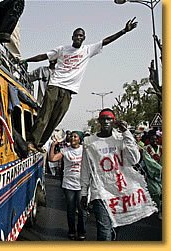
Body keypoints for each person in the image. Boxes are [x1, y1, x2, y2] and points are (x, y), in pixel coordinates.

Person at [23, 18, 138, 151]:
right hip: (55, 84)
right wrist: (26, 60)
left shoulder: (87, 50)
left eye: (81, 36)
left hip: (69, 90)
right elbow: (44, 56)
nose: (78, 37)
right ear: (72, 37)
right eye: (76, 35)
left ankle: (39, 143)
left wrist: (124, 31)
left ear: (84, 38)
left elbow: (105, 41)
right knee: (45, 114)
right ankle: (31, 141)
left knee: (56, 119)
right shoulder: (63, 49)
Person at [80, 108, 157, 241]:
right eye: (103, 119)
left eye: (109, 119)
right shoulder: (89, 142)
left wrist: (126, 133)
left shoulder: (121, 139)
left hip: (121, 193)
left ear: (114, 121)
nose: (106, 121)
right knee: (104, 232)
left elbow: (134, 159)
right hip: (100, 192)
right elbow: (86, 169)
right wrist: (83, 193)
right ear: (99, 121)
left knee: (116, 228)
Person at [49, 130, 86, 240]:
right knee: (70, 210)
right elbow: (52, 158)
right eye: (71, 137)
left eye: (75, 137)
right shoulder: (65, 150)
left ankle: (81, 232)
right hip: (68, 184)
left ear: (80, 139)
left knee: (81, 210)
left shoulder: (84, 150)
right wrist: (52, 146)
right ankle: (71, 231)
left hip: (81, 185)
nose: (73, 138)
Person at [142, 134, 162, 219]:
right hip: (151, 174)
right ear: (149, 140)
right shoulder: (146, 149)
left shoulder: (161, 148)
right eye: (152, 139)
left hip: (162, 175)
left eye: (156, 139)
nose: (154, 141)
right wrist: (160, 168)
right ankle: (158, 208)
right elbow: (149, 161)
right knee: (156, 192)